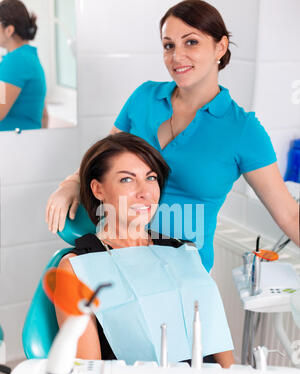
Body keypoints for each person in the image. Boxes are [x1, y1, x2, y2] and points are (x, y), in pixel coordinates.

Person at [46, 0, 299, 273]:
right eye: (169, 45)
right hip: (117, 258)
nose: (177, 56)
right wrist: (71, 183)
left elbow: (290, 215)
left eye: (191, 42)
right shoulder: (144, 97)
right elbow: (102, 160)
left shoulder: (243, 130)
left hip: (181, 274)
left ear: (220, 47)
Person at [55, 132, 234, 368]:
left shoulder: (182, 251)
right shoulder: (77, 268)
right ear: (98, 189)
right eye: (127, 180)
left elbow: (219, 344)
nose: (146, 192)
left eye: (151, 178)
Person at [0, 0, 47, 131]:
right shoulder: (29, 58)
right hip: (24, 142)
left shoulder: (16, 60)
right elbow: (44, 117)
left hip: (14, 144)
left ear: (9, 30)